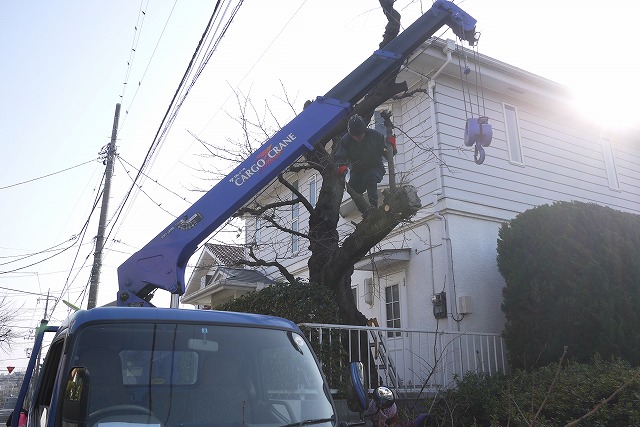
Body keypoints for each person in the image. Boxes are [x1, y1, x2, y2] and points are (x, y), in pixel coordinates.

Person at [334, 114, 395, 216]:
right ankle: (366, 211)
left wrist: (392, 145)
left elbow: (388, 154)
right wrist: (342, 166)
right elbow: (340, 156)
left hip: (375, 167)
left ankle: (373, 207)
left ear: (364, 131)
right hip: (357, 170)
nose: (357, 138)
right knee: (352, 187)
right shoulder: (345, 140)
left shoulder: (375, 136)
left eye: (360, 135)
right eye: (355, 136)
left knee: (370, 178)